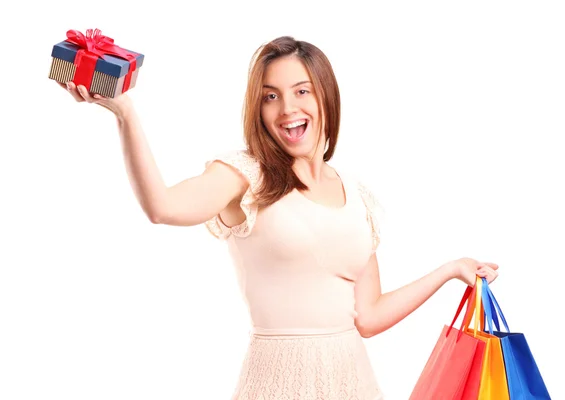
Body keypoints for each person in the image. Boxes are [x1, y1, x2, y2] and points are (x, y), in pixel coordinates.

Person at [58, 35, 499, 400]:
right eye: (271, 96)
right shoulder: (247, 174)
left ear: (325, 96)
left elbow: (368, 316)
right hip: (275, 382)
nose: (287, 108)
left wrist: (448, 271)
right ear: (259, 108)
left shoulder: (357, 197)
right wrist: (126, 115)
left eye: (301, 91)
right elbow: (163, 207)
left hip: (353, 383)